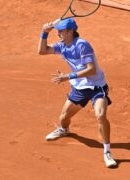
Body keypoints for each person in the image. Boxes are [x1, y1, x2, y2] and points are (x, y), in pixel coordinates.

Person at [37, 18, 117, 168]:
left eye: (61, 31)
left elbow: (91, 69)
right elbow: (42, 51)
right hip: (79, 88)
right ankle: (64, 130)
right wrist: (44, 33)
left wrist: (68, 76)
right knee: (64, 118)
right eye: (57, 31)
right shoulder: (62, 46)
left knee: (100, 115)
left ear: (70, 31)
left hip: (96, 87)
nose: (58, 33)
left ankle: (107, 152)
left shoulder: (82, 45)